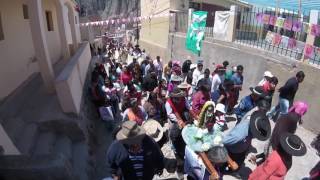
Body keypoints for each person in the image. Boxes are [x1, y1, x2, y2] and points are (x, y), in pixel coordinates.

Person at [165, 87, 194, 173]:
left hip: (181, 113)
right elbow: (170, 114)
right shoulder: (168, 103)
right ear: (173, 97)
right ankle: (174, 146)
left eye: (179, 98)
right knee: (174, 133)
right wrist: (179, 121)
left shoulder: (183, 99)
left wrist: (193, 116)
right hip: (173, 118)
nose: (178, 100)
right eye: (176, 98)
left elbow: (188, 107)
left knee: (187, 121)